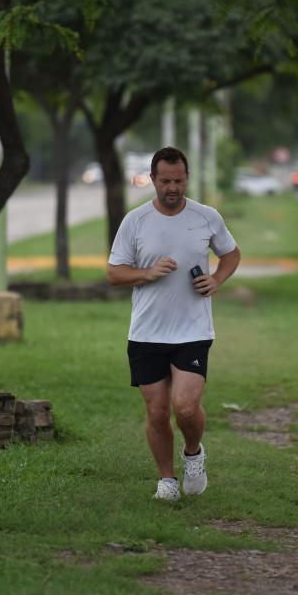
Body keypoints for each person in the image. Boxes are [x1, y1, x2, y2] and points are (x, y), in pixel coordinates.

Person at [107, 146, 241, 502]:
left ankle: (193, 453)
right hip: (147, 332)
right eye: (165, 181)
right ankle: (166, 479)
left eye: (178, 180)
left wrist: (216, 279)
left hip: (193, 330)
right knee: (157, 410)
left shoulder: (206, 216)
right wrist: (147, 273)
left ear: (187, 178)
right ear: (152, 179)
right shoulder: (135, 222)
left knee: (184, 406)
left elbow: (231, 253)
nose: (172, 188)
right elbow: (114, 273)